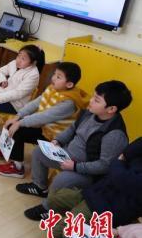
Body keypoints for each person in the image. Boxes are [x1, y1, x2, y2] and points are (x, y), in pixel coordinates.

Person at [16, 80, 132, 221]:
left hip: (88, 172)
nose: (90, 101)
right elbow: (72, 129)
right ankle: (40, 187)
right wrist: (58, 141)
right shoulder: (89, 113)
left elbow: (104, 166)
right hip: (67, 156)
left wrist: (75, 167)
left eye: (96, 100)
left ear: (111, 109)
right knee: (39, 152)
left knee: (62, 180)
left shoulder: (114, 134)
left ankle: (48, 209)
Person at [0, 62, 90, 178]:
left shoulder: (68, 103)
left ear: (69, 84)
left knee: (17, 128)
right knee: (13, 124)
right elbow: (35, 103)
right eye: (54, 74)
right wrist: (18, 116)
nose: (53, 78)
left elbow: (44, 116)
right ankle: (8, 150)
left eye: (58, 77)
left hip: (55, 139)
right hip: (44, 129)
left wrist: (20, 122)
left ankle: (17, 168)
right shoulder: (53, 89)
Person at [46, 137, 142, 238]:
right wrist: (119, 166)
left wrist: (119, 164)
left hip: (107, 209)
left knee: (58, 232)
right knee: (53, 199)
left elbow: (123, 178)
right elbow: (125, 154)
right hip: (97, 191)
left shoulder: (116, 133)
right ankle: (81, 228)